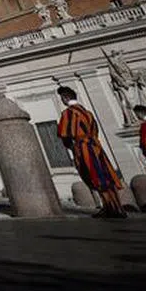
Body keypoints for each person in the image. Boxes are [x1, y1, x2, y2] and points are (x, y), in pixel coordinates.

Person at [56, 86, 126, 218]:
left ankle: (110, 208)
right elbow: (95, 131)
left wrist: (72, 147)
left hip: (84, 148)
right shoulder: (88, 113)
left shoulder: (68, 113)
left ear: (65, 98)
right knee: (106, 176)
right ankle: (117, 207)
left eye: (62, 98)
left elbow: (65, 134)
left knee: (95, 176)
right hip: (96, 147)